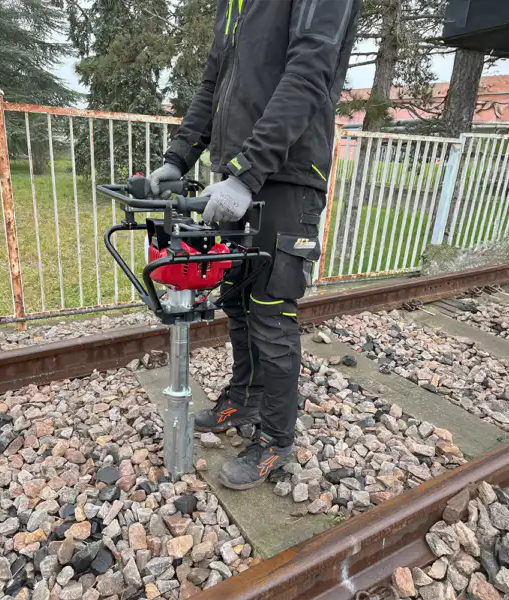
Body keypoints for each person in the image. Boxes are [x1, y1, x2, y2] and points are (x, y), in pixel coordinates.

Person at [150, 0, 361, 491]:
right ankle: (245, 400)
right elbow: (214, 85)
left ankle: (276, 439)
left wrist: (248, 172)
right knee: (237, 302)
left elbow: (309, 71)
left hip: (288, 177)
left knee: (270, 310)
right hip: (237, 178)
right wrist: (178, 157)